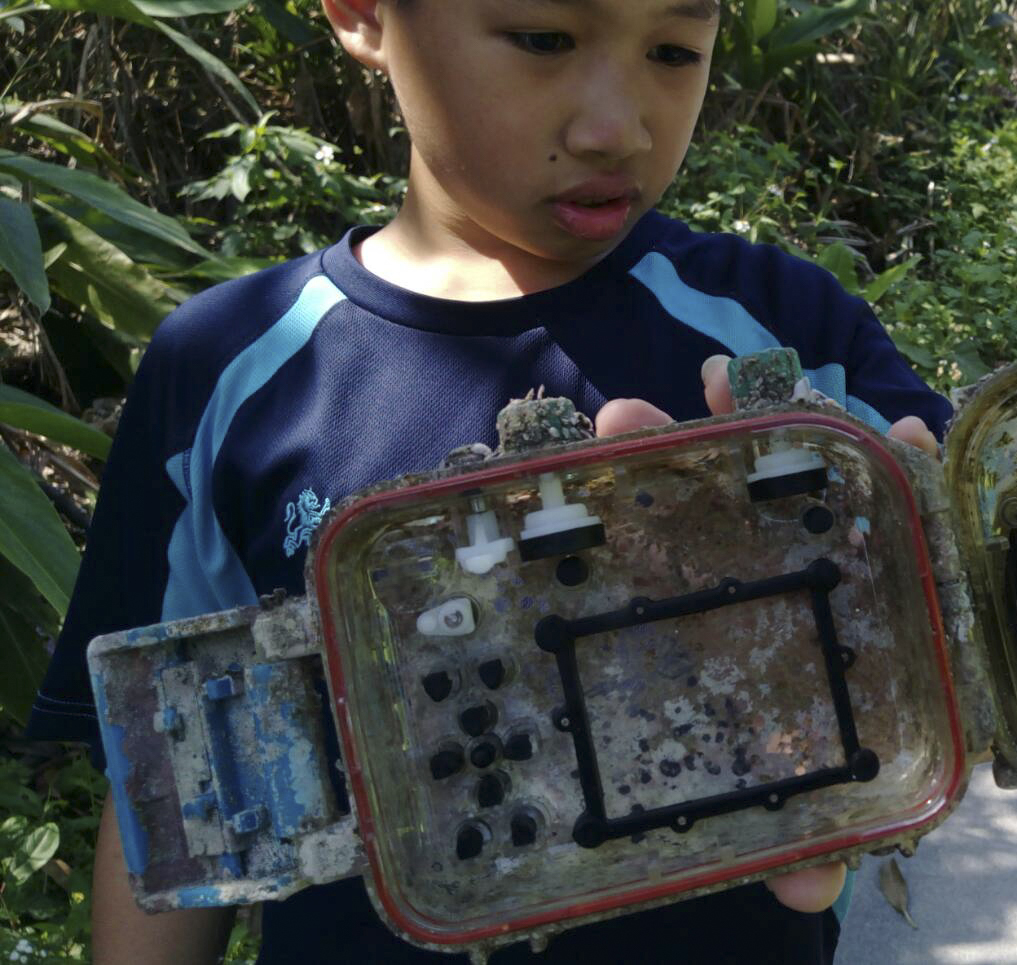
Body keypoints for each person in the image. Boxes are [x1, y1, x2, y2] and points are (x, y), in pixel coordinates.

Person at [25, 1, 950, 963]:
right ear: (363, 14)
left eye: (674, 52)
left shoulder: (782, 335)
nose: (617, 130)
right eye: (543, 39)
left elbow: (994, 573)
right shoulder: (227, 370)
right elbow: (182, 784)